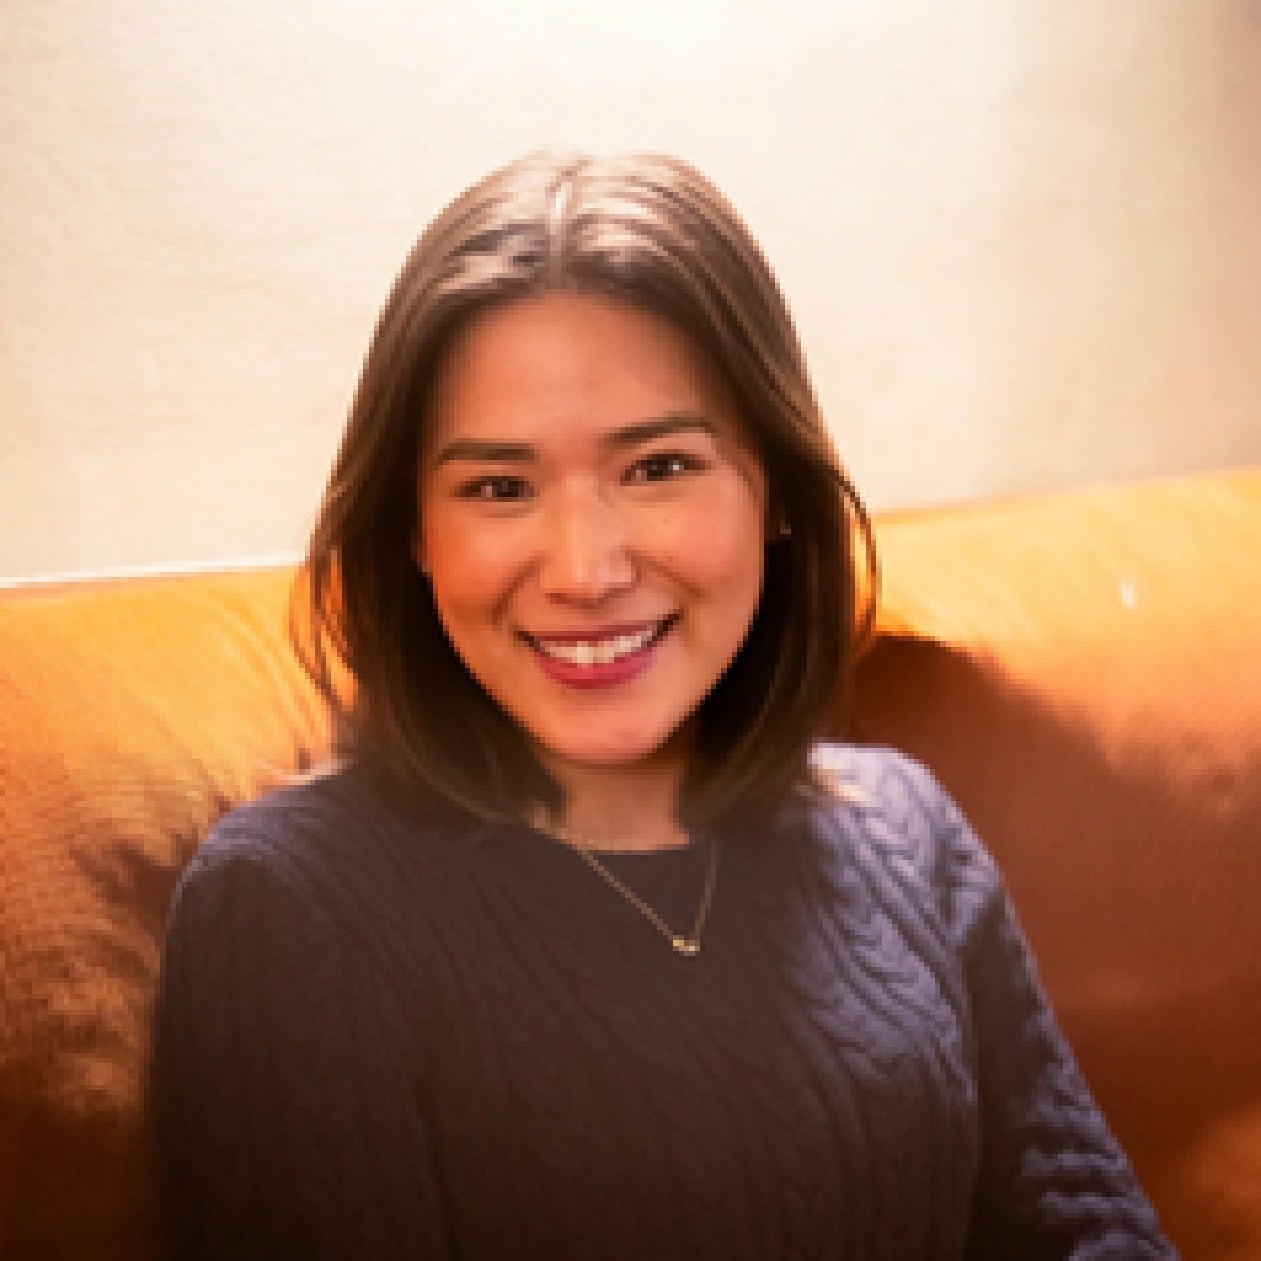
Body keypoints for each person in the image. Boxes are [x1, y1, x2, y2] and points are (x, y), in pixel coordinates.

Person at [152, 151, 1175, 1259]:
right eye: (498, 487)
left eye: (657, 468)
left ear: (774, 487)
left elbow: (1086, 1227)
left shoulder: (902, 830)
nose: (585, 570)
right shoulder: (290, 908)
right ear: (412, 531)